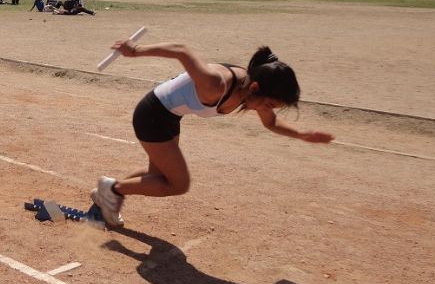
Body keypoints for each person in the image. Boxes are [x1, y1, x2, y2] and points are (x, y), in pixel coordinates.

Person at [90, 44, 334, 227]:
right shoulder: (216, 84)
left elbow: (271, 124)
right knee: (178, 184)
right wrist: (136, 50)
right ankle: (113, 191)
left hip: (168, 116)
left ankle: (109, 192)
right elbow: (182, 51)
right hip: (152, 115)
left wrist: (302, 135)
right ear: (255, 88)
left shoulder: (252, 88)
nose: (267, 110)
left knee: (158, 176)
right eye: (268, 104)